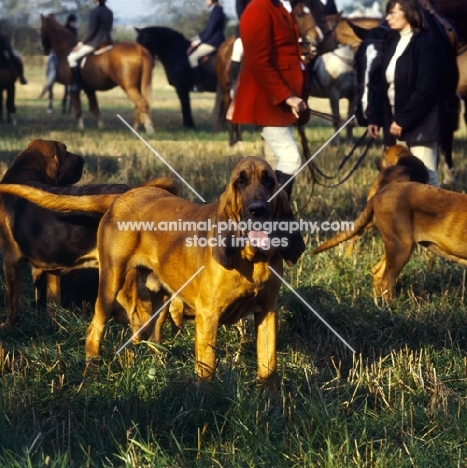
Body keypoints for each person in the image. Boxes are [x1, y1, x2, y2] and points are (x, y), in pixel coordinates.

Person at [230, 0, 308, 199]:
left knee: (279, 159)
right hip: (267, 100)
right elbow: (258, 61)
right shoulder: (258, 9)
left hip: (278, 101)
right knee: (290, 158)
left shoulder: (278, 7)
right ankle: (273, 217)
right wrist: (286, 96)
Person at [367, 0, 442, 187]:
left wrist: (403, 119)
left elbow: (426, 87)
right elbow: (384, 86)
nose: (387, 18)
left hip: (421, 125)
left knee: (427, 178)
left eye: (393, 13)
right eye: (388, 13)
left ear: (408, 13)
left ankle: (432, 217)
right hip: (395, 124)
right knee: (399, 182)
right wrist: (375, 118)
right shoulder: (393, 43)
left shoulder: (426, 43)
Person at [67, 0, 113, 93]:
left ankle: (77, 84)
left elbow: (91, 31)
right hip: (108, 42)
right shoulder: (109, 12)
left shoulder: (94, 12)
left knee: (71, 58)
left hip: (95, 43)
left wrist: (81, 43)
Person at [187, 0, 226, 91]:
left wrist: (199, 41)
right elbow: (208, 29)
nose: (205, 1)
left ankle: (198, 84)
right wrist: (196, 38)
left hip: (214, 42)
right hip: (212, 40)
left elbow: (210, 30)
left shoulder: (216, 12)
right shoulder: (217, 10)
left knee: (192, 57)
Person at [229, 0, 251, 97]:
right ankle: (234, 83)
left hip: (267, 30)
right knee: (239, 48)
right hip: (246, 28)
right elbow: (241, 13)